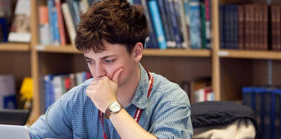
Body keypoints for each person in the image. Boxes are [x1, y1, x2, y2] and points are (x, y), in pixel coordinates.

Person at [29, 0, 193, 138]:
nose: (98, 73)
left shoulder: (170, 98)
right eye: (90, 61)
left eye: (108, 60)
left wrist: (111, 106)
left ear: (137, 52)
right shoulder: (78, 98)